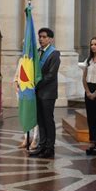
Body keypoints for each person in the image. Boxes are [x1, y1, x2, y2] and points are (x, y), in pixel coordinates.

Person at [29, 28, 61, 159]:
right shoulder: (37, 52)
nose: (41, 39)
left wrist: (37, 84)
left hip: (48, 93)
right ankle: (41, 146)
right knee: (40, 120)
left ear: (50, 39)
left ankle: (49, 148)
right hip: (37, 92)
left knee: (48, 120)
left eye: (43, 37)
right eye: (39, 37)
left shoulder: (54, 54)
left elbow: (51, 75)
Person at [82, 37, 96, 155]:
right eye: (91, 44)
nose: (93, 46)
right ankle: (92, 141)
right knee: (90, 117)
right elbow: (84, 77)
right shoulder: (89, 60)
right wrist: (87, 92)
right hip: (89, 89)